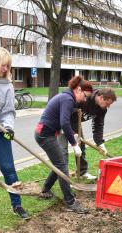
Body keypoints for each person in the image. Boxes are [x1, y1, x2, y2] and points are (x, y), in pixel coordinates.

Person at [0, 47, 30, 219]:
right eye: (3, 65)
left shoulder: (7, 85)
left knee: (8, 168)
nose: (6, 70)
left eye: (8, 66)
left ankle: (17, 205)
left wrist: (8, 127)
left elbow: (8, 111)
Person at [35, 76, 92, 214]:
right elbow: (64, 123)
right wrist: (74, 144)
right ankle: (70, 201)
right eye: (85, 96)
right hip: (44, 135)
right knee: (62, 166)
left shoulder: (67, 97)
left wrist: (73, 134)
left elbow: (62, 122)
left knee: (58, 163)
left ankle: (45, 190)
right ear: (78, 90)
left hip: (46, 134)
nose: (84, 100)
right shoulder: (67, 99)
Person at [59, 87, 116, 180]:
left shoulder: (102, 109)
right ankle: (63, 178)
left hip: (75, 124)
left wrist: (100, 143)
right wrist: (72, 134)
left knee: (81, 147)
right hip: (62, 122)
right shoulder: (84, 98)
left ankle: (81, 172)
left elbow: (98, 125)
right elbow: (65, 110)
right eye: (107, 103)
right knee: (62, 152)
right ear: (101, 97)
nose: (108, 106)